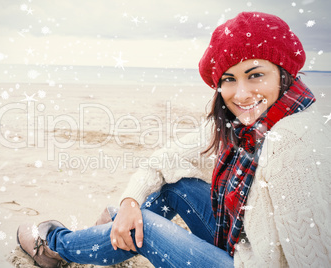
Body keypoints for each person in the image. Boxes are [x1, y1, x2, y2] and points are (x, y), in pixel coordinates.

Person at [16, 12, 330, 267]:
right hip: (244, 242)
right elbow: (165, 158)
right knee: (175, 185)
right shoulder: (250, 123)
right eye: (230, 79)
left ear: (282, 72)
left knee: (146, 229)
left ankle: (55, 246)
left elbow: (316, 256)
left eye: (256, 74)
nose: (242, 93)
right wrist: (129, 203)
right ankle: (113, 231)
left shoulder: (293, 144)